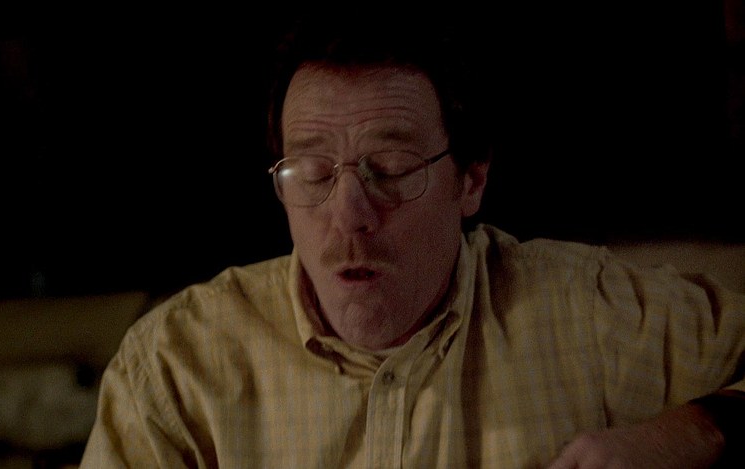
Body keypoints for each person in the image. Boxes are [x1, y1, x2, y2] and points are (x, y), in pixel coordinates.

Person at [80, 9, 745, 468]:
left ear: (470, 181)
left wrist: (695, 431)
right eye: (312, 172)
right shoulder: (177, 368)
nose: (349, 214)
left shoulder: (588, 313)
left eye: (392, 168)